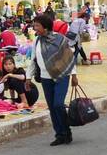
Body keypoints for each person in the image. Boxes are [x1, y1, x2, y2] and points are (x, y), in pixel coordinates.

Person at [29, 14, 78, 146]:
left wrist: (74, 75)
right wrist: (28, 78)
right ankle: (59, 134)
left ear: (45, 27)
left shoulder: (60, 39)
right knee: (52, 107)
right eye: (34, 25)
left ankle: (66, 130)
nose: (35, 28)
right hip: (45, 78)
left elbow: (69, 57)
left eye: (37, 25)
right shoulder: (37, 41)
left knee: (58, 104)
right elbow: (33, 60)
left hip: (62, 76)